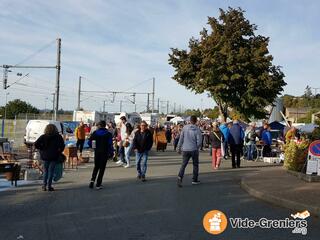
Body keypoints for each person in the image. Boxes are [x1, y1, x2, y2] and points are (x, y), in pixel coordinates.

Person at [34, 124, 65, 191]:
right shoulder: (58, 137)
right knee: (51, 171)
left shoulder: (43, 136)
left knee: (46, 171)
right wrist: (59, 151)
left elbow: (36, 144)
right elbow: (62, 146)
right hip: (54, 156)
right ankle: (49, 186)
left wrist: (42, 148)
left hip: (45, 156)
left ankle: (44, 186)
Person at [177, 115, 202, 187]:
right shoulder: (197, 129)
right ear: (196, 121)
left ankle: (180, 177)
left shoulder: (184, 128)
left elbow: (181, 138)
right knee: (195, 165)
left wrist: (179, 148)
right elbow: (199, 141)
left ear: (190, 120)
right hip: (194, 149)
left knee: (183, 164)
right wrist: (197, 147)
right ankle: (195, 179)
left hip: (185, 149)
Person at [88, 121, 114, 190]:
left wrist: (94, 148)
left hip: (97, 152)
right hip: (104, 152)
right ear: (105, 126)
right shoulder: (108, 134)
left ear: (99, 126)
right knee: (102, 168)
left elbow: (90, 142)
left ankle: (92, 181)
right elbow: (110, 144)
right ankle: (98, 184)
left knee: (96, 167)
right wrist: (111, 153)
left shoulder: (95, 133)